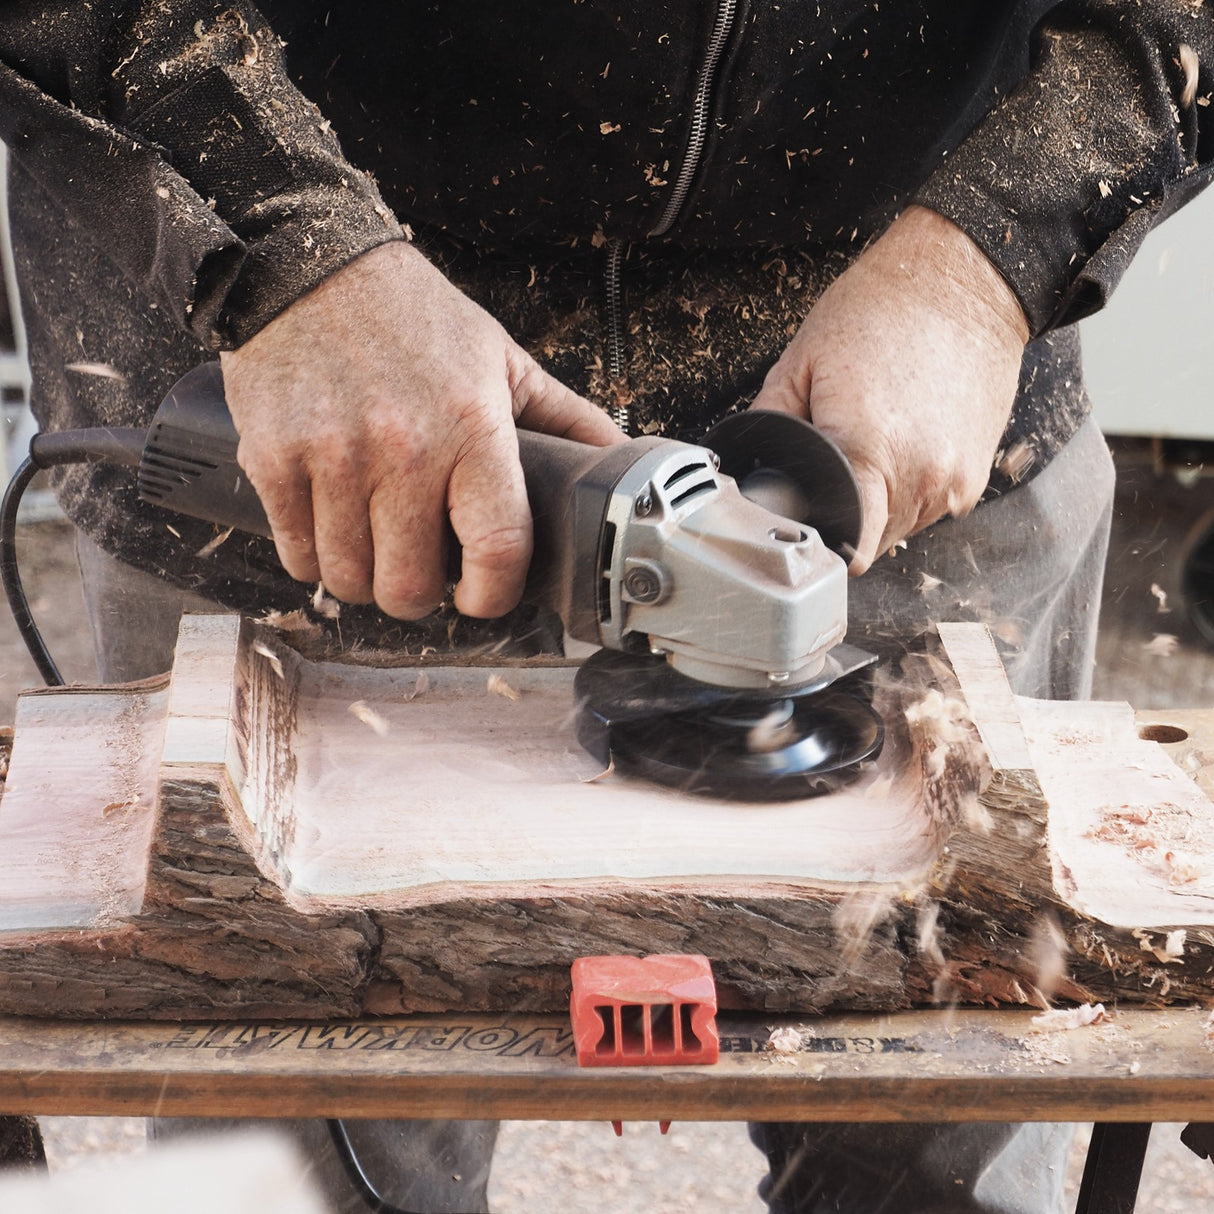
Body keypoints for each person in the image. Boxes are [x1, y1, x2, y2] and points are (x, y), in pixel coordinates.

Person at [0, 3, 1210, 1211]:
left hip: (908, 385)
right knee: (292, 1170)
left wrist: (992, 250)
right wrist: (288, 243)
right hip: (305, 381)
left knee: (955, 1135)